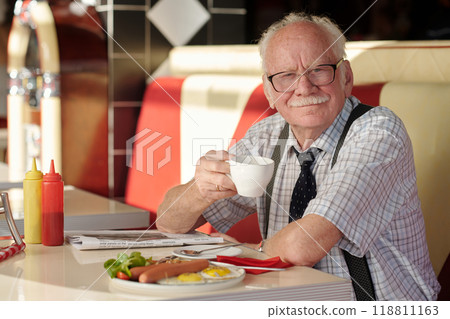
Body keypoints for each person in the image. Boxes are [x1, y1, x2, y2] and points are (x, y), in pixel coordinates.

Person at [156, 12, 440, 300]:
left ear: (346, 77)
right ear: (269, 91)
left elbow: (305, 245)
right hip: (291, 300)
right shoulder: (266, 135)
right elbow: (168, 222)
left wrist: (241, 253)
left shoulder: (378, 131)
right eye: (287, 76)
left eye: (318, 70)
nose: (304, 88)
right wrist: (199, 191)